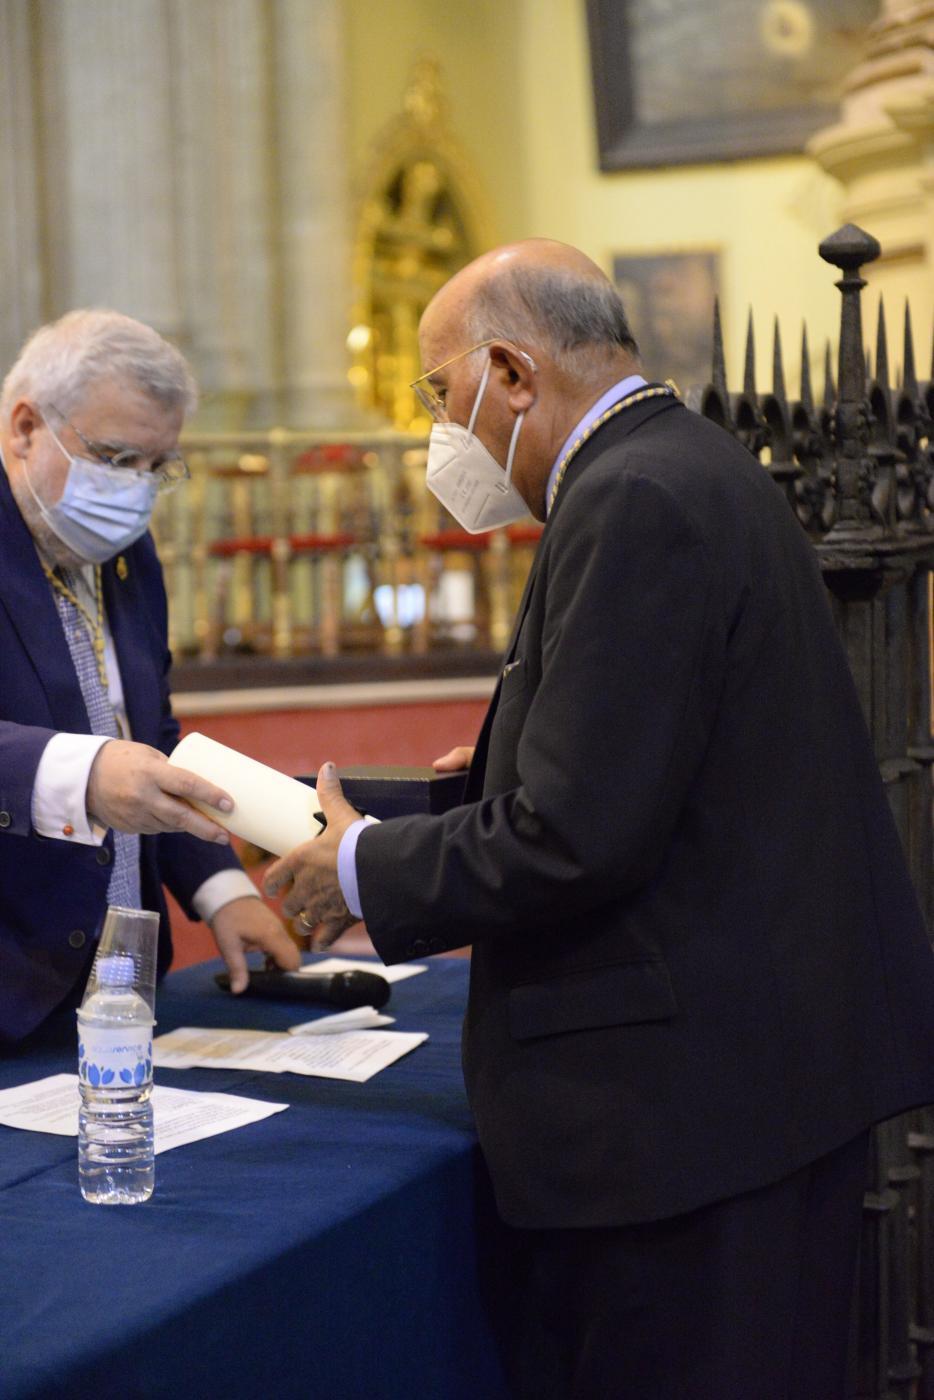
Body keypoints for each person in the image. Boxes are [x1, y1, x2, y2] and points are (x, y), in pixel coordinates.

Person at [264, 240, 934, 1399]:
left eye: (440, 392)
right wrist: (512, 753)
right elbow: (682, 746)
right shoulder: (687, 461)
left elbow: (575, 832)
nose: (440, 429)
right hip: (751, 1080)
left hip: (684, 1120)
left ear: (513, 374)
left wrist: (362, 867)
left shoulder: (630, 497)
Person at [0, 309, 298, 1044]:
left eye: (155, 467)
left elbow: (146, 732)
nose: (134, 490)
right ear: (25, 426)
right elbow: (105, 759)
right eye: (113, 457)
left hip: (113, 991)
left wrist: (222, 889)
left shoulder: (125, 553)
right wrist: (82, 774)